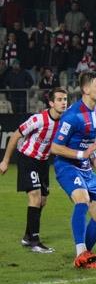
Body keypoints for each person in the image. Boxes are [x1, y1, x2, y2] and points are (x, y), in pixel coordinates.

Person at [50, 71, 96, 269]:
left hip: (85, 166)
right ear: (86, 89)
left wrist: (93, 157)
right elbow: (55, 147)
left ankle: (85, 257)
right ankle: (80, 253)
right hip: (67, 166)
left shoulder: (95, 110)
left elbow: (89, 137)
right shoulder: (72, 115)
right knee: (82, 200)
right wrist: (82, 155)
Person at [0, 87, 68, 253]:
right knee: (35, 197)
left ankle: (27, 236)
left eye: (65, 99)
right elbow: (16, 135)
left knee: (42, 201)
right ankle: (35, 242)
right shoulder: (39, 119)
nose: (63, 103)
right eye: (59, 100)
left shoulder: (65, 122)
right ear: (51, 103)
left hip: (43, 163)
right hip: (28, 159)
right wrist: (5, 161)